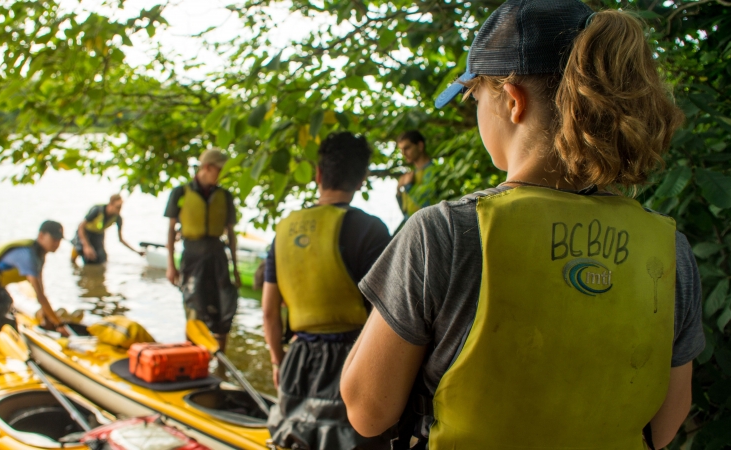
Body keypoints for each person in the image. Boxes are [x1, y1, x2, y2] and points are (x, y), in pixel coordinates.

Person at [341, 2, 704, 449]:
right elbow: (665, 426)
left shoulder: (443, 234)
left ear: (512, 101)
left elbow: (367, 411)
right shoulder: (671, 251)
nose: (475, 112)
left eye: (474, 97)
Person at [262, 132, 393, 450]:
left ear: (318, 174)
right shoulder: (371, 229)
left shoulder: (284, 229)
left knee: (293, 438)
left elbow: (269, 312)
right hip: (354, 360)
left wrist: (279, 361)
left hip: (298, 360)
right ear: (362, 179)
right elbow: (389, 314)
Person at [164, 148, 240, 352]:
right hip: (192, 255)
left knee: (224, 309)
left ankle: (220, 361)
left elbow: (231, 234)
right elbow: (171, 231)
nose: (221, 175)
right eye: (219, 170)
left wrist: (236, 268)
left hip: (217, 256)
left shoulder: (225, 196)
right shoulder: (180, 193)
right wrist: (170, 265)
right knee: (194, 309)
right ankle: (192, 357)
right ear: (207, 167)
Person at [0, 221, 69, 335]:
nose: (57, 244)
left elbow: (41, 292)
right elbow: (40, 296)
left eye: (59, 240)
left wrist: (48, 316)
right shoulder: (28, 256)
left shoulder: (40, 256)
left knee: (10, 320)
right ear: (41, 236)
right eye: (54, 239)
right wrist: (59, 324)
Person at [71, 194, 144, 265]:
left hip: (98, 235)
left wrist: (137, 252)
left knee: (101, 259)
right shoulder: (97, 210)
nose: (119, 210)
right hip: (85, 233)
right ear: (110, 204)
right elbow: (81, 226)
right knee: (85, 255)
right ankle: (75, 253)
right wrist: (86, 246)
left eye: (121, 207)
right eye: (117, 207)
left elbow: (121, 239)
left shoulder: (118, 218)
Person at [395, 130, 439, 221]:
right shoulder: (410, 175)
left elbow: (429, 205)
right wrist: (399, 192)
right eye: (401, 150)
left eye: (407, 148)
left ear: (420, 146)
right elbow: (406, 212)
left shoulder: (433, 171)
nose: (403, 153)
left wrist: (409, 187)